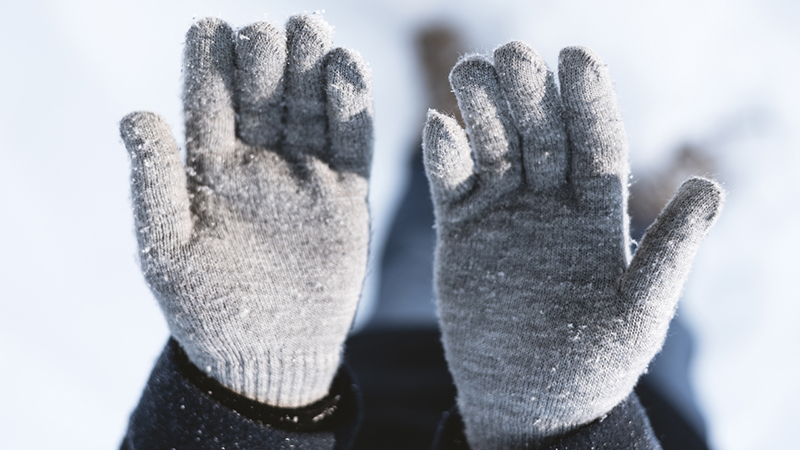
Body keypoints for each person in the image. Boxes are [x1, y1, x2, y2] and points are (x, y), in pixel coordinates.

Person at [118, 13, 724, 450]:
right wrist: (555, 431)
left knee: (445, 226)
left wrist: (252, 391)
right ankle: (646, 213)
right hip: (616, 422)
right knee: (642, 315)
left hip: (389, 390)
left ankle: (454, 124)